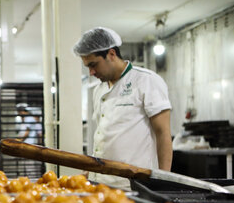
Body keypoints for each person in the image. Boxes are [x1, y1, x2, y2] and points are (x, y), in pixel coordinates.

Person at [73, 27, 172, 189]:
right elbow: (103, 135)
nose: (91, 72)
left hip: (134, 185)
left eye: (93, 65)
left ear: (111, 54)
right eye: (87, 67)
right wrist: (90, 171)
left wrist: (163, 181)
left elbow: (163, 134)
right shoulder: (99, 90)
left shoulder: (146, 81)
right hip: (100, 183)